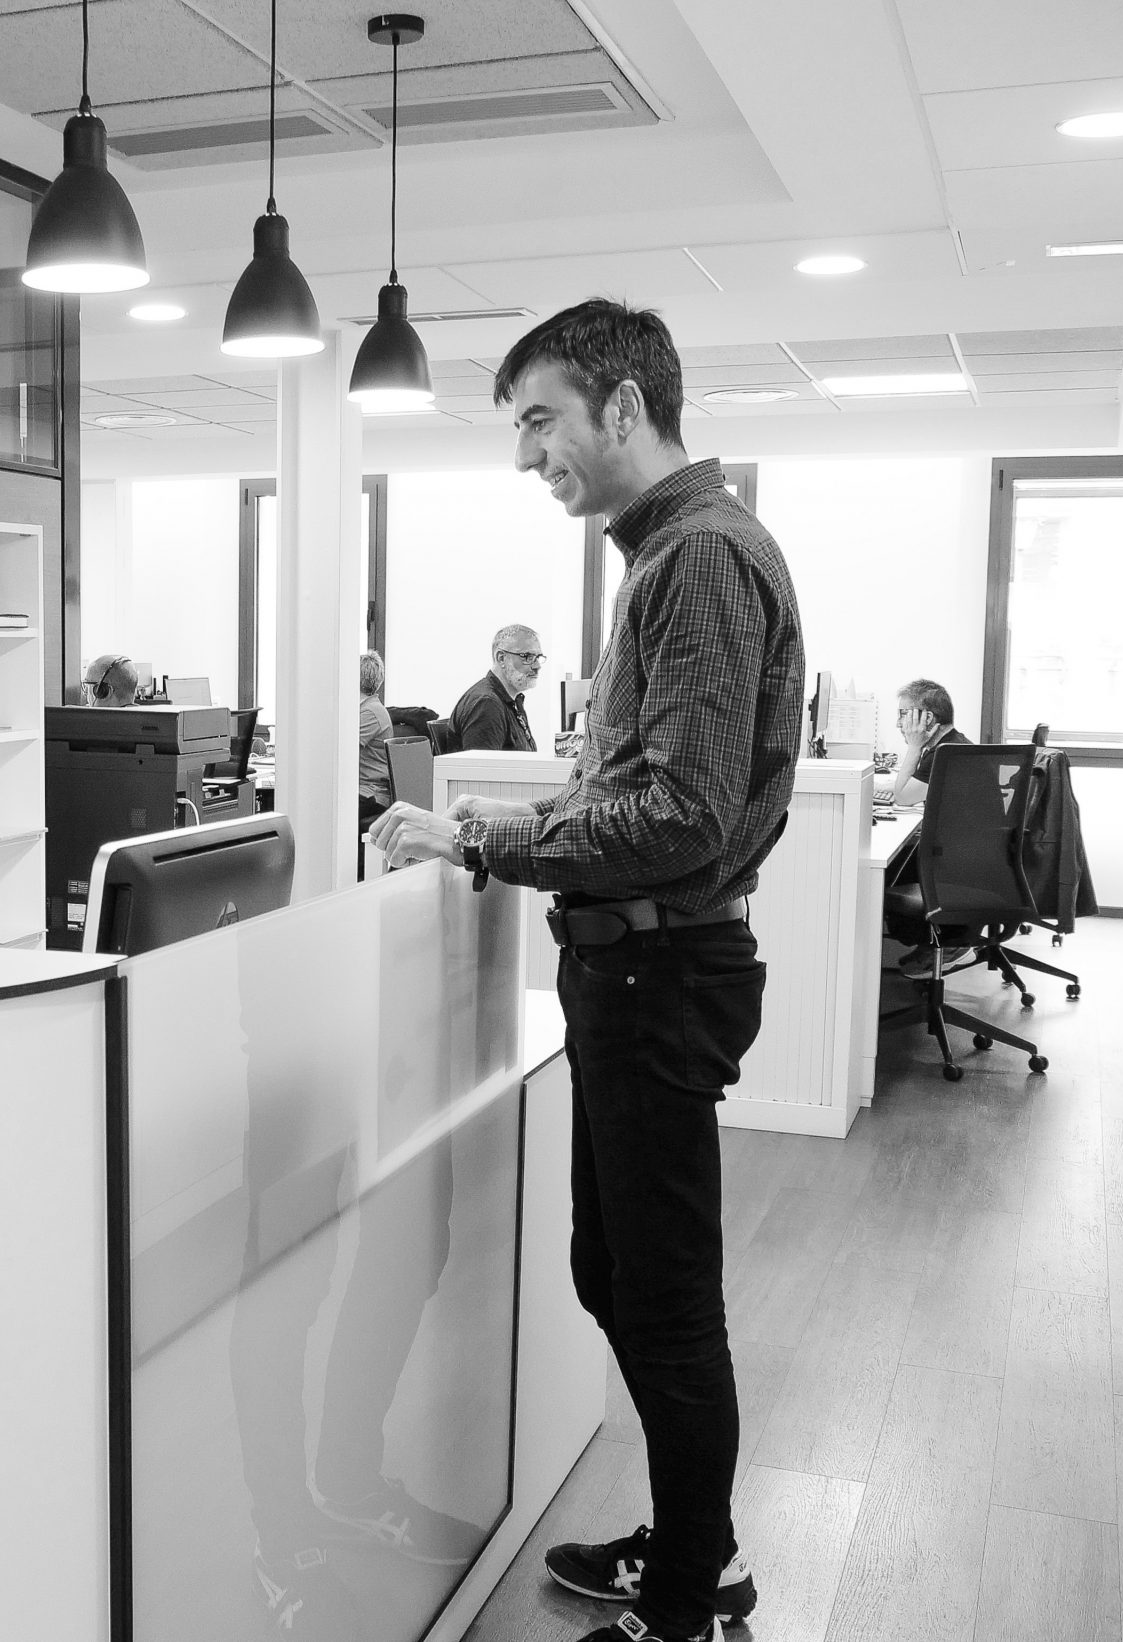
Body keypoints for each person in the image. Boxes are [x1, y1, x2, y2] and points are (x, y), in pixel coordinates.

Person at [370, 298, 804, 1642]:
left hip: (657, 974)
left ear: (623, 406)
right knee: (611, 1270)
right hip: (634, 970)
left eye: (539, 420)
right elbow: (637, 784)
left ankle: (683, 1603)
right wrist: (522, 820)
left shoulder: (700, 557)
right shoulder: (670, 552)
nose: (526, 455)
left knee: (659, 1299)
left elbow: (679, 816)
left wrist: (482, 838)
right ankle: (694, 1548)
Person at [447, 625, 543, 751]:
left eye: (537, 657)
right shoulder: (486, 704)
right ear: (501, 658)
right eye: (527, 657)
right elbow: (480, 763)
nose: (537, 666)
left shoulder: (512, 700)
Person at [879, 677, 966, 808]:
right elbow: (914, 784)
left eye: (903, 714)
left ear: (928, 718)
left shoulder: (942, 755)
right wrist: (877, 786)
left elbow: (902, 798)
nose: (898, 724)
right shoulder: (954, 743)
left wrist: (914, 747)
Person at [360, 649, 395, 822]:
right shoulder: (368, 708)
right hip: (363, 789)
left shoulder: (370, 713)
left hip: (370, 793)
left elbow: (339, 750)